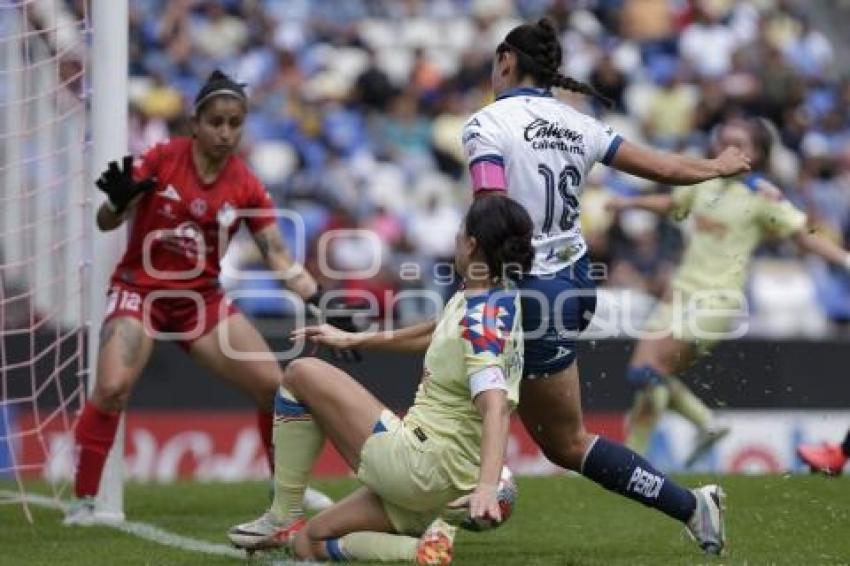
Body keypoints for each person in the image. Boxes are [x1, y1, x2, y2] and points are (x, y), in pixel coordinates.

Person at [459, 18, 753, 555]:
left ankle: (692, 506)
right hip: (574, 280)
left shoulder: (486, 124)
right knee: (473, 389)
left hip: (530, 287)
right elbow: (660, 165)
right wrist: (716, 165)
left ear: (505, 61)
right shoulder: (580, 123)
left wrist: (483, 289)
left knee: (560, 440)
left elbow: (490, 210)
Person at [66, 70, 340, 523]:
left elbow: (278, 257)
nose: (225, 132)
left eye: (235, 123)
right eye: (217, 121)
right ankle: (84, 500)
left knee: (275, 387)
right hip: (141, 292)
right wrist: (115, 203)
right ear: (195, 122)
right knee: (112, 387)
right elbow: (104, 221)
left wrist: (322, 299)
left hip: (201, 302)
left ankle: (285, 486)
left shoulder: (246, 184)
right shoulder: (161, 159)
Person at [228, 195, 533, 564]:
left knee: (299, 373)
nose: (455, 237)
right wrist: (356, 338)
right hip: (446, 487)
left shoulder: (479, 319)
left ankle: (283, 514)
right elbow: (435, 332)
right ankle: (417, 551)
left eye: (461, 230)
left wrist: (487, 487)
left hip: (421, 465)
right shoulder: (496, 295)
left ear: (471, 244)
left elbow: (495, 405)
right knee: (308, 543)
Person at [607, 118, 850, 465]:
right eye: (724, 142)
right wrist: (630, 204)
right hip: (678, 294)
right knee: (643, 376)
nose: (729, 149)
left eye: (740, 144)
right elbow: (674, 204)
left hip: (717, 301)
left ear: (758, 154)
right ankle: (664, 446)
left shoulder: (762, 195)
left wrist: (843, 258)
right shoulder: (703, 183)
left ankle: (641, 456)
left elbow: (801, 235)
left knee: (653, 369)